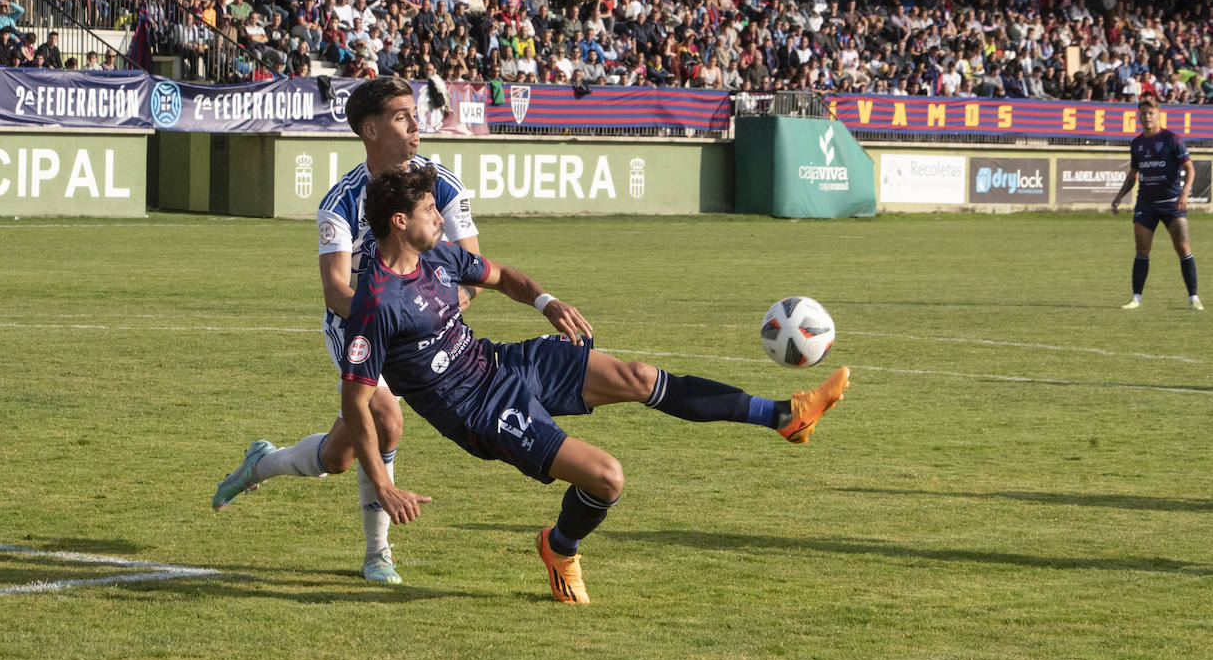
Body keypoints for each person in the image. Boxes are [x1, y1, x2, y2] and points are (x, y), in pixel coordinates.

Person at [303, 163, 848, 603]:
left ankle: (784, 416)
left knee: (638, 377)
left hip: (502, 362)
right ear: (399, 221)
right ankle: (560, 547)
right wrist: (383, 483)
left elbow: (502, 276)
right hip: (479, 412)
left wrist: (546, 302)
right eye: (428, 211)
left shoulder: (439, 256)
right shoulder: (375, 303)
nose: (440, 219)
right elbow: (356, 402)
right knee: (608, 479)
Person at [212, 76, 481, 586]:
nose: (416, 128)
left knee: (338, 457)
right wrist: (386, 313)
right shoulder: (341, 200)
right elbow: (336, 291)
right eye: (403, 118)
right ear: (371, 129)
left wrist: (440, 307)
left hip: (419, 331)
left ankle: (261, 464)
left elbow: (472, 267)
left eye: (415, 116)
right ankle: (379, 553)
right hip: (357, 327)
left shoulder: (442, 184)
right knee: (387, 419)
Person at [1112, 97, 1201, 310]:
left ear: (1158, 114)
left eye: (1151, 113)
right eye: (1143, 113)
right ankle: (1136, 298)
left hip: (1172, 203)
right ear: (1139, 117)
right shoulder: (1137, 143)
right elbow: (1133, 173)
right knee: (1142, 249)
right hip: (1146, 204)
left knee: (1183, 247)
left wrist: (1184, 194)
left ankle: (1194, 298)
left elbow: (1190, 169)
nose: (1147, 117)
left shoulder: (1173, 139)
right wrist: (1118, 196)